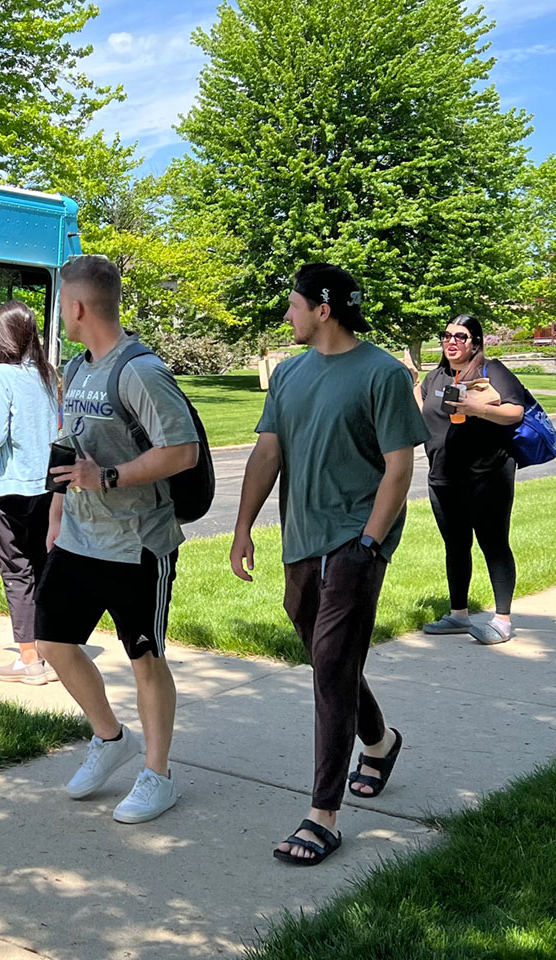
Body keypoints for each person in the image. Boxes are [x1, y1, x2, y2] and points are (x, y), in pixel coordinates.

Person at [230, 263, 428, 865]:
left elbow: (399, 466)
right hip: (302, 540)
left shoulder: (384, 374)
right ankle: (380, 741)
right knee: (327, 658)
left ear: (323, 308)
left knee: (332, 666)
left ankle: (323, 815)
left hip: (355, 542)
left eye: (292, 304)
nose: (286, 314)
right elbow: (268, 453)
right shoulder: (288, 376)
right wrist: (241, 527)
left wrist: (370, 541)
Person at [33, 254, 199, 825]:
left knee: (144, 657)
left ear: (78, 307)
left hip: (138, 544)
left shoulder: (140, 371)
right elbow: (69, 447)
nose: (58, 317)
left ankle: (159, 775)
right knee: (52, 640)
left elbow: (182, 451)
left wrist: (106, 477)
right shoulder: (78, 370)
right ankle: (110, 737)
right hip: (80, 537)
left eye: (61, 305)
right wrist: (58, 510)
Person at [402, 315, 526, 644]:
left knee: (494, 543)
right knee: (456, 545)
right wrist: (414, 381)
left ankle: (502, 620)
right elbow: (421, 418)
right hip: (443, 477)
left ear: (475, 342)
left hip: (487, 475)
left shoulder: (491, 370)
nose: (452, 342)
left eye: (461, 336)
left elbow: (516, 411)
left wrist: (477, 408)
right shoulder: (436, 376)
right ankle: (458, 615)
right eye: (446, 336)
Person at [0, 300, 60, 685]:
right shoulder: (47, 373)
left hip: (9, 487)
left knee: (16, 570)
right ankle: (50, 650)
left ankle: (29, 659)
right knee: (40, 565)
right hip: (45, 484)